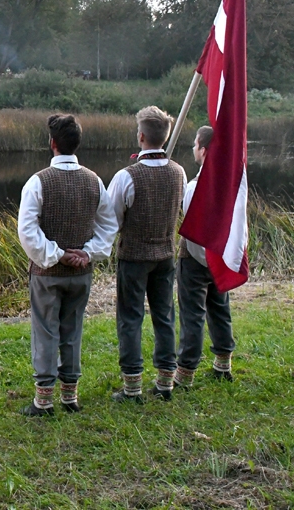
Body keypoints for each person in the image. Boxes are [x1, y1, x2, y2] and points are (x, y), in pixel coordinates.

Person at [17, 114, 117, 416]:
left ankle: (44, 401)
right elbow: (108, 225)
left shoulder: (38, 182)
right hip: (81, 273)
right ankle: (70, 397)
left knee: (46, 331)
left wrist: (57, 254)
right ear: (77, 144)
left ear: (52, 144)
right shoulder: (94, 180)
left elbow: (27, 231)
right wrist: (87, 253)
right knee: (72, 330)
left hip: (47, 274)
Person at [106, 106, 187, 403]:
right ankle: (165, 383)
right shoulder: (179, 172)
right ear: (163, 137)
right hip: (165, 254)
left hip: (134, 257)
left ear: (141, 136)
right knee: (164, 316)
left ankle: (132, 388)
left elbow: (111, 220)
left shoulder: (126, 177)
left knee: (130, 318)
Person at [174, 126, 236, 387]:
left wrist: (203, 258)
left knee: (193, 315)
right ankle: (223, 364)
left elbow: (192, 229)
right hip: (221, 257)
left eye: (195, 144)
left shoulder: (194, 187)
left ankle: (186, 373)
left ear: (204, 149)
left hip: (196, 259)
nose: (193, 148)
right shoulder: (232, 182)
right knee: (220, 308)